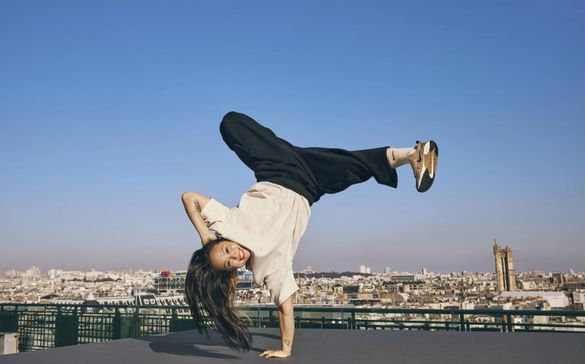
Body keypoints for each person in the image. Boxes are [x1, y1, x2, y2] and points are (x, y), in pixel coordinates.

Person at [182, 111, 438, 358]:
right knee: (352, 165)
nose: (235, 255)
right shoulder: (267, 268)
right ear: (232, 272)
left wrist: (205, 236)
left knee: (230, 122)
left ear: (223, 240)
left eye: (226, 250)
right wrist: (286, 349)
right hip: (309, 182)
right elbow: (285, 309)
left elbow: (189, 197)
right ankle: (416, 154)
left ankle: (280, 145)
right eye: (230, 263)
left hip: (276, 168)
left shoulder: (227, 223)